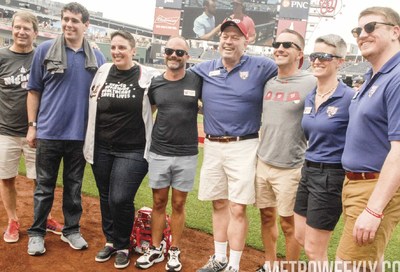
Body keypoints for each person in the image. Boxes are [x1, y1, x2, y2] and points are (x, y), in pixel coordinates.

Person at [191, 18, 277, 272]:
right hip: (213, 145)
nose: (228, 41)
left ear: (246, 40)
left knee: (238, 207)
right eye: (225, 36)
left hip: (244, 145)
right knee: (218, 202)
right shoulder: (205, 68)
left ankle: (234, 265)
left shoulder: (262, 66)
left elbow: (289, 75)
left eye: (235, 37)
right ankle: (219, 258)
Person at [26, 2, 106, 256]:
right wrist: (32, 126)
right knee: (43, 187)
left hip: (79, 135)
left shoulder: (98, 57)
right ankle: (37, 233)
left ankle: (71, 230)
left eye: (75, 20)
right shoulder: (45, 50)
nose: (69, 24)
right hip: (49, 132)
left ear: (86, 25)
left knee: (74, 187)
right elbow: (34, 91)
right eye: (66, 19)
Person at [83, 30, 159, 269]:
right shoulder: (103, 71)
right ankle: (111, 242)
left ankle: (124, 244)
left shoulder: (147, 75)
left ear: (133, 50)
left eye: (122, 47)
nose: (117, 51)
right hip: (101, 147)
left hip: (134, 149)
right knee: (105, 196)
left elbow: (157, 103)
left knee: (120, 197)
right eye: (114, 47)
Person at [337, 7, 400, 271]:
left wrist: (374, 210)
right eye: (358, 30)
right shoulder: (374, 76)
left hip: (374, 187)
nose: (362, 34)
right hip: (357, 184)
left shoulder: (396, 77)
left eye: (371, 27)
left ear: (395, 32)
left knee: (347, 265)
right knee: (369, 264)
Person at [135, 36, 202, 272]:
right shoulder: (155, 83)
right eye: (169, 51)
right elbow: (148, 112)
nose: (174, 55)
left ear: (187, 56)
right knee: (158, 202)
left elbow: (206, 105)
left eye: (179, 53)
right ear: (164, 53)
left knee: (179, 203)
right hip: (160, 152)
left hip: (186, 153)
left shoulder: (196, 80)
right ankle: (155, 248)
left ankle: (174, 250)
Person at [254, 29, 316, 272]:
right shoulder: (269, 82)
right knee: (266, 217)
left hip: (291, 167)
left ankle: (290, 268)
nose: (280, 48)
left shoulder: (311, 81)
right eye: (277, 44)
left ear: (299, 53)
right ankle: (270, 264)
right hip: (263, 162)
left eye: (287, 45)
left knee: (289, 224)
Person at [0, 10, 63, 244]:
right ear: (12, 28)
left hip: (38, 131)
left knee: (41, 179)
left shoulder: (42, 57)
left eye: (27, 28)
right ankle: (13, 220)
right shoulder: (2, 57)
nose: (21, 32)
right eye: (17, 27)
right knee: (6, 178)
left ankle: (43, 217)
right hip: (5, 130)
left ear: (35, 33)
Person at [293, 35, 353, 270]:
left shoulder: (350, 98)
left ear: (340, 61)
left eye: (324, 56)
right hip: (308, 171)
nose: (317, 61)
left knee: (314, 248)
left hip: (331, 176)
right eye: (314, 56)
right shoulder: (310, 96)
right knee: (300, 236)